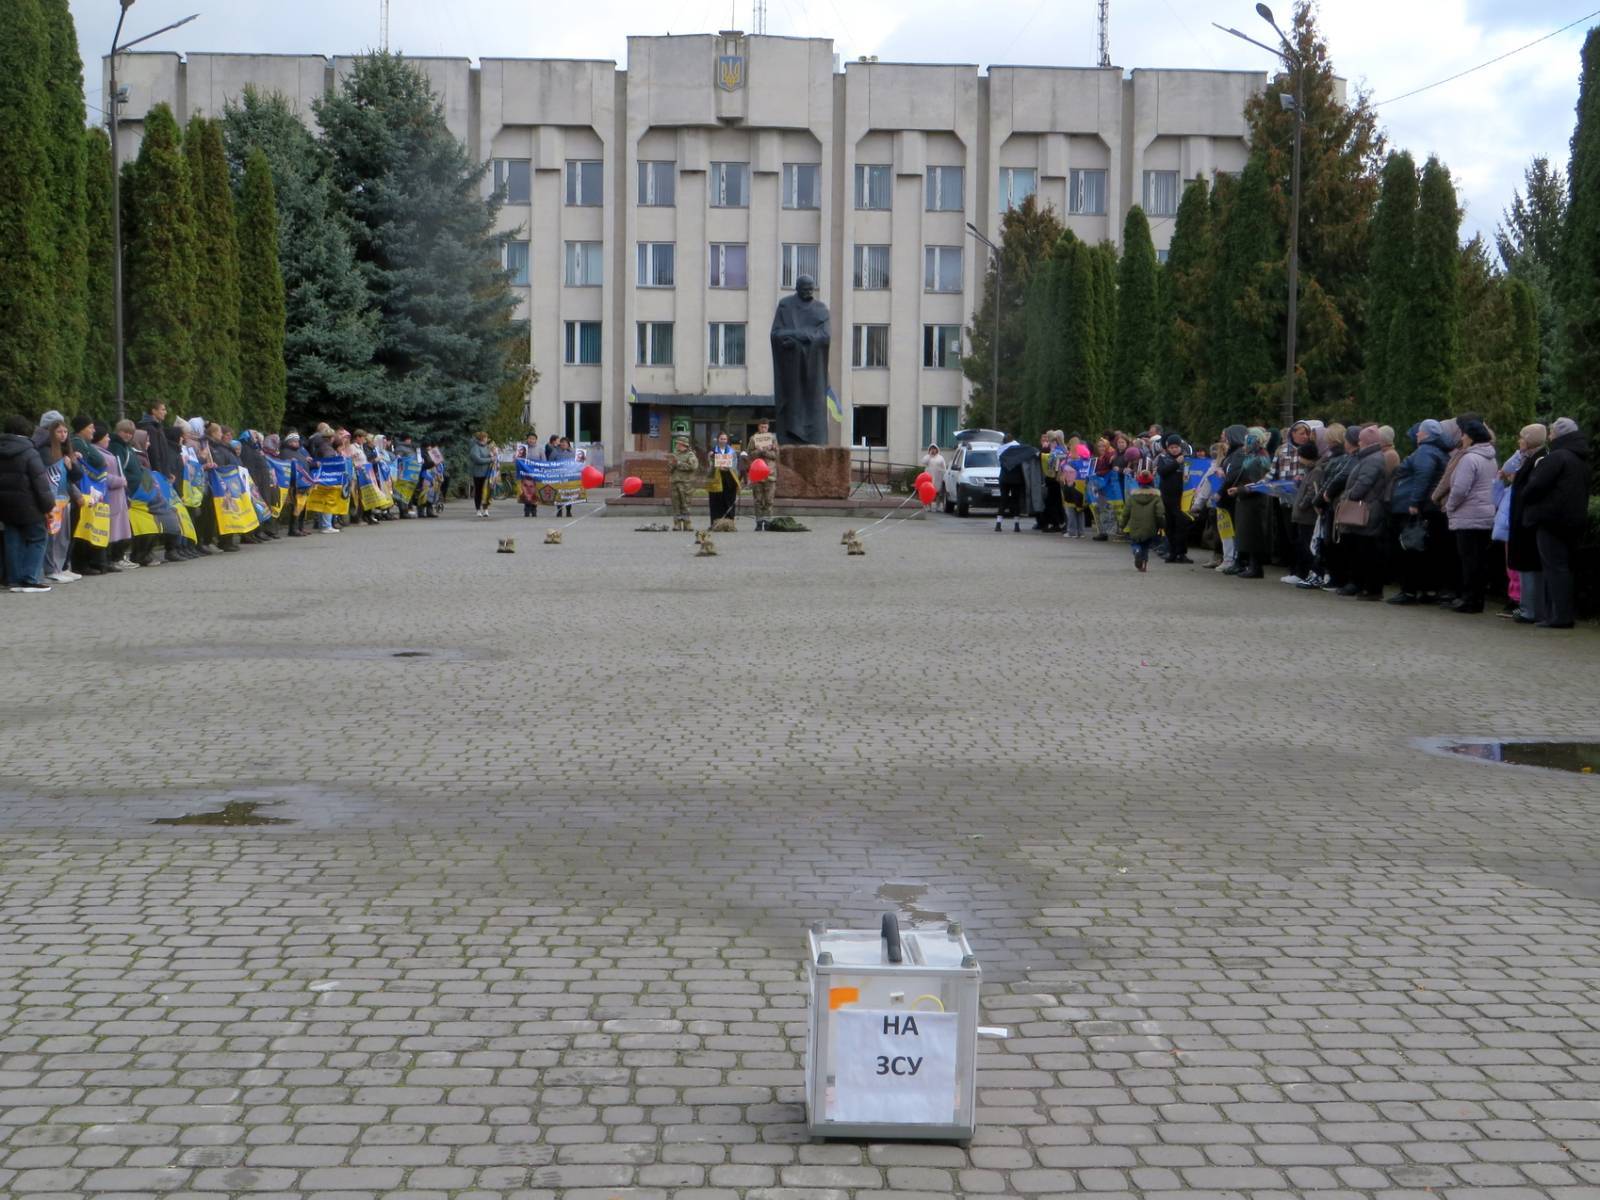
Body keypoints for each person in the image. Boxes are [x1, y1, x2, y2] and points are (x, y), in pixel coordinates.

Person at [1519, 416, 1590, 629]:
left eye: (1551, 433)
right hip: (1574, 520)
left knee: (1553, 568)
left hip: (1551, 520)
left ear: (1559, 435)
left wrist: (1526, 496)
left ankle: (1559, 616)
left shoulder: (1557, 457)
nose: (1549, 437)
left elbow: (1534, 487)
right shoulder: (1580, 459)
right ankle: (1562, 613)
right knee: (1565, 568)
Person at [1386, 419, 1452, 605]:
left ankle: (1409, 591)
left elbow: (1423, 476)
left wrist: (1414, 502)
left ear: (1427, 434)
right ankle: (1426, 590)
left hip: (1418, 507)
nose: (1417, 433)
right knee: (1426, 550)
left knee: (1410, 548)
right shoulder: (1439, 451)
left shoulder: (1425, 451)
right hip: (1431, 507)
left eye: (1420, 431)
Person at [1442, 417, 1498, 614]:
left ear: (1472, 437)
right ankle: (1478, 599)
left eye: (1464, 434)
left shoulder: (1469, 458)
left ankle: (1469, 600)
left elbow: (1459, 489)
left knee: (1468, 560)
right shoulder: (1491, 457)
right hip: (1485, 514)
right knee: (1480, 560)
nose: (1462, 438)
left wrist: (1449, 506)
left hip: (1468, 515)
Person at [0, 414, 57, 592]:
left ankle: (14, 580)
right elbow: (40, 482)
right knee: (38, 537)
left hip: (5, 505)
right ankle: (30, 578)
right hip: (29, 504)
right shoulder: (29, 452)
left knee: (12, 539)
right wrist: (48, 506)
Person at [1336, 425, 1391, 600]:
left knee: (1368, 551)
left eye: (1360, 440)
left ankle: (1372, 589)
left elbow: (1363, 484)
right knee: (1362, 550)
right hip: (1368, 509)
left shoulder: (1372, 460)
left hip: (1368, 511)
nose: (1358, 442)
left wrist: (1347, 496)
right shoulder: (1370, 458)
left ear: (1366, 442)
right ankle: (1364, 586)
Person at [1501, 424, 1547, 624]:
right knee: (1524, 564)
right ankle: (1528, 607)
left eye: (1522, 437)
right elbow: (1506, 469)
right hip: (1522, 518)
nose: (1519, 441)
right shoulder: (1526, 457)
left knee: (1528, 565)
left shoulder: (1539, 460)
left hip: (1527, 520)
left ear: (1530, 439)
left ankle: (1530, 609)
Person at [1224, 428, 1273, 579]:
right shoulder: (1253, 455)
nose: (1246, 443)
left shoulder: (1259, 458)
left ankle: (1256, 567)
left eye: (1249, 440)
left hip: (1254, 501)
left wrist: (1239, 490)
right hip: (1247, 499)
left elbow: (1257, 482)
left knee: (1253, 534)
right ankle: (1251, 565)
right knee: (1248, 534)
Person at [1119, 470, 1165, 572]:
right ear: (1152, 483)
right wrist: (1162, 525)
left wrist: (1122, 525)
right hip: (1150, 527)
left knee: (1135, 543)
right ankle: (1143, 566)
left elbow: (1126, 513)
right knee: (1146, 546)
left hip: (1135, 526)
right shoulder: (1156, 498)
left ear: (1138, 483)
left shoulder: (1133, 497)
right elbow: (1160, 514)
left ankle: (1136, 551)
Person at [1156, 433, 1191, 563]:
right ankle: (1172, 552)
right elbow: (1162, 472)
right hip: (1168, 496)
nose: (1174, 449)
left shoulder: (1187, 459)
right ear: (1167, 448)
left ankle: (1181, 553)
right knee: (1169, 525)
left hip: (1183, 496)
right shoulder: (1163, 458)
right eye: (1171, 447)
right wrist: (1176, 463)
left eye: (1176, 447)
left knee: (1181, 524)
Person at [748, 419, 780, 530]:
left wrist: (766, 451)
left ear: (768, 427)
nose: (763, 429)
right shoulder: (753, 438)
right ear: (758, 427)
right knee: (758, 500)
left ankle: (767, 522)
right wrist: (758, 451)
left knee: (769, 500)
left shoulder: (772, 438)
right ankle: (758, 522)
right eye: (762, 427)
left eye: (765, 427)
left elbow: (776, 456)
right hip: (757, 474)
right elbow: (750, 454)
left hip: (770, 474)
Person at [668, 433, 700, 531]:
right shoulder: (674, 454)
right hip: (675, 482)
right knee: (676, 504)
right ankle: (677, 524)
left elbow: (693, 467)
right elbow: (669, 469)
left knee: (685, 504)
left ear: (683, 445)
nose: (677, 445)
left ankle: (687, 523)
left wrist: (678, 463)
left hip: (686, 483)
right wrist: (672, 465)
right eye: (676, 444)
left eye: (678, 444)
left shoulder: (690, 455)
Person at [708, 432, 740, 524]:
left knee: (729, 500)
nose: (723, 441)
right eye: (721, 439)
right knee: (716, 502)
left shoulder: (732, 451)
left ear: (727, 440)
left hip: (729, 479)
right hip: (716, 479)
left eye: (725, 439)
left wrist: (727, 467)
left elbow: (734, 465)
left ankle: (729, 523)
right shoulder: (712, 451)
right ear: (718, 439)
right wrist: (716, 465)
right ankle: (716, 523)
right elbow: (709, 465)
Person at [469, 431, 495, 518]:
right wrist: (490, 459)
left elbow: (491, 455)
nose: (487, 439)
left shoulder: (487, 447)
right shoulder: (475, 447)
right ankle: (478, 509)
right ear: (482, 438)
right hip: (478, 474)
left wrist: (493, 455)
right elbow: (477, 459)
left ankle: (486, 509)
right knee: (479, 492)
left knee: (487, 492)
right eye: (486, 438)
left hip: (488, 473)